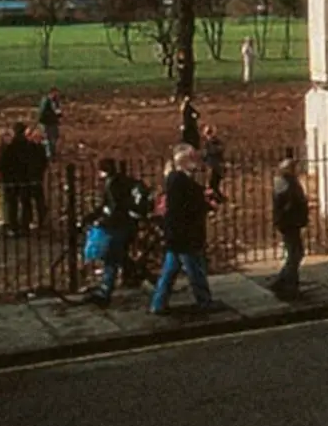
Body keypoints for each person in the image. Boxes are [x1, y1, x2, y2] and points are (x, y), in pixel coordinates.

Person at [150, 144, 215, 314]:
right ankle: (205, 301)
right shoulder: (180, 181)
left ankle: (158, 303)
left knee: (170, 270)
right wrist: (205, 204)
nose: (197, 160)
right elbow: (186, 208)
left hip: (176, 235)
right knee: (195, 270)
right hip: (185, 235)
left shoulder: (176, 179)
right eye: (193, 157)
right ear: (185, 161)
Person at [85, 158, 151, 305]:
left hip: (120, 227)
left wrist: (100, 219)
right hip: (128, 225)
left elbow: (114, 208)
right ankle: (139, 277)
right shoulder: (122, 181)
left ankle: (106, 291)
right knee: (119, 257)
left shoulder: (112, 185)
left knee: (111, 257)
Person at [270, 157, 309, 299]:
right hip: (290, 223)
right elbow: (287, 203)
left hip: (292, 222)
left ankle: (283, 281)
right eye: (294, 167)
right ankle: (289, 285)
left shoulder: (287, 181)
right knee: (295, 254)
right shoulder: (285, 182)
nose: (297, 169)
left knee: (295, 253)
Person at [201, 124, 226, 204]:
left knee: (214, 184)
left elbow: (218, 150)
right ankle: (216, 198)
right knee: (212, 184)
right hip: (210, 167)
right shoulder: (207, 144)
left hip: (217, 167)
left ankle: (217, 198)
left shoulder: (216, 143)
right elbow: (204, 155)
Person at [37, 87, 63, 159]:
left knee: (54, 138)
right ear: (52, 93)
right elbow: (42, 112)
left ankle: (52, 153)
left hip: (53, 123)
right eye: (55, 94)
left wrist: (59, 116)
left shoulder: (55, 101)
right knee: (47, 139)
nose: (57, 96)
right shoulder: (45, 101)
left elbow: (58, 110)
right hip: (46, 123)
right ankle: (48, 154)